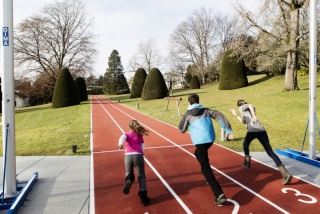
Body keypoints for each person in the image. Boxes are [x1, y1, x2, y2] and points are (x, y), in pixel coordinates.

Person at [179, 93, 234, 205]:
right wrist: (228, 131)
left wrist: (187, 122)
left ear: (189, 102)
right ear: (198, 101)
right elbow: (219, 115)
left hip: (200, 142)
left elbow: (182, 129)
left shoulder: (187, 114)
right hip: (210, 140)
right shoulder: (206, 110)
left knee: (206, 168)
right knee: (197, 154)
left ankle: (219, 194)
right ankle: (209, 178)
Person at [230, 99, 292, 185]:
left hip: (252, 131)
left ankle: (247, 162)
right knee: (270, 152)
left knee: (245, 144)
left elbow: (250, 105)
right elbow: (243, 122)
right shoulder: (246, 112)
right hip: (262, 130)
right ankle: (285, 173)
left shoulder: (242, 108)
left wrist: (254, 115)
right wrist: (235, 115)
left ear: (239, 105)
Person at [118, 119, 150, 206]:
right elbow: (142, 146)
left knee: (129, 173)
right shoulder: (140, 135)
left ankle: (129, 180)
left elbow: (122, 138)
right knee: (141, 176)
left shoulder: (127, 134)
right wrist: (142, 154)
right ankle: (143, 198)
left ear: (130, 127)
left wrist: (120, 144)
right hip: (138, 155)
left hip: (128, 156)